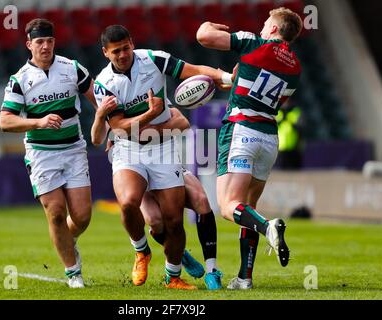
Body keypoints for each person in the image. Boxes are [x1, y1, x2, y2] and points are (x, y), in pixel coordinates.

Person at [93, 25, 232, 290]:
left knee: (173, 220)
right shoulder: (104, 84)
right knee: (128, 203)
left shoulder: (154, 59)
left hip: (163, 148)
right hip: (128, 149)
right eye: (115, 52)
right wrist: (151, 113)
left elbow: (194, 70)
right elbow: (120, 127)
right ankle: (141, 250)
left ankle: (173, 276)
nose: (122, 55)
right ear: (105, 53)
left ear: (132, 43)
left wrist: (225, 77)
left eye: (125, 48)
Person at [196, 7, 303, 289]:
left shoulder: (255, 43)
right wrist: (237, 80)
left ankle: (269, 227)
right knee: (248, 208)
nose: (262, 27)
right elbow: (274, 101)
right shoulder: (295, 67)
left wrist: (211, 23)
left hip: (242, 131)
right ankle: (244, 278)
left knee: (228, 206)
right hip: (269, 138)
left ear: (275, 30)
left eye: (266, 24)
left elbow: (203, 36)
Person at [0, 18, 97, 288]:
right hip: (42, 153)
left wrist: (112, 128)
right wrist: (37, 122)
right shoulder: (20, 80)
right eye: (39, 42)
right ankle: (73, 273)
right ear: (29, 44)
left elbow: (99, 101)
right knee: (55, 212)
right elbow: (5, 121)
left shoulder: (72, 68)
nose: (45, 46)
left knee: (82, 216)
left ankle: (68, 239)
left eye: (50, 41)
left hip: (74, 148)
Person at [92, 104, 223, 290]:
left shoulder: (153, 94)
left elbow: (182, 121)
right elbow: (99, 137)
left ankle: (212, 271)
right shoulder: (114, 100)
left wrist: (154, 129)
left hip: (163, 161)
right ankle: (176, 254)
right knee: (155, 221)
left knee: (201, 201)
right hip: (136, 168)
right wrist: (107, 123)